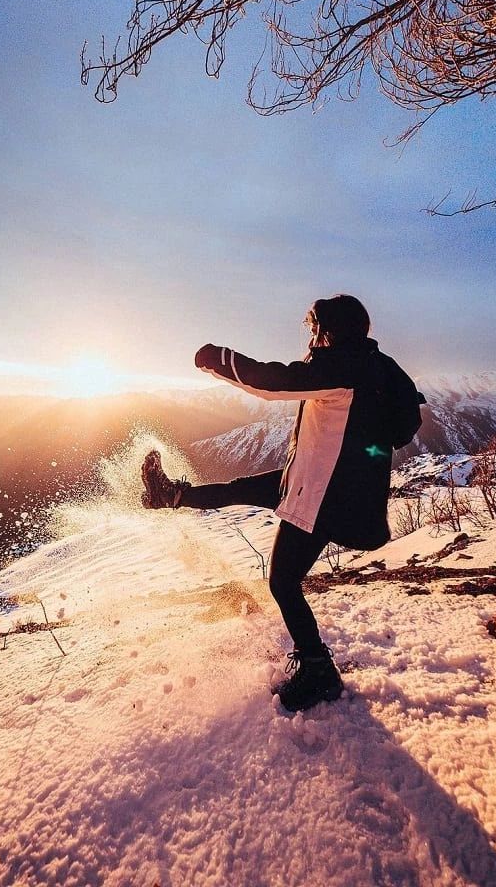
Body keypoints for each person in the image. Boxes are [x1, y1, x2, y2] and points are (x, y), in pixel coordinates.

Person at [140, 294, 423, 712]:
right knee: (241, 487)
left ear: (329, 329)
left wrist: (217, 359)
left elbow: (273, 382)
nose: (311, 337)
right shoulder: (374, 363)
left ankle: (317, 670)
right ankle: (173, 495)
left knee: (283, 582)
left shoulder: (343, 365)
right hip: (320, 480)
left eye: (314, 329)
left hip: (323, 494)